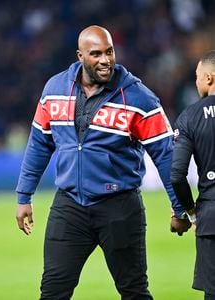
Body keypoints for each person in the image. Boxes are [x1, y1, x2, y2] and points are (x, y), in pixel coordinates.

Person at [16, 25, 187, 300]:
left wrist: (180, 207)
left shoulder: (139, 97)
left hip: (119, 207)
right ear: (80, 56)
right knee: (52, 291)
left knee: (134, 292)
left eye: (109, 52)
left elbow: (166, 154)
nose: (105, 60)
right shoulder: (54, 89)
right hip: (70, 205)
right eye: (96, 54)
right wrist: (24, 195)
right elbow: (39, 143)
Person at [171, 50, 215, 300]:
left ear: (209, 78)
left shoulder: (190, 117)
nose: (196, 82)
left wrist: (189, 212)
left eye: (198, 77)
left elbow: (177, 175)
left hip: (211, 218)